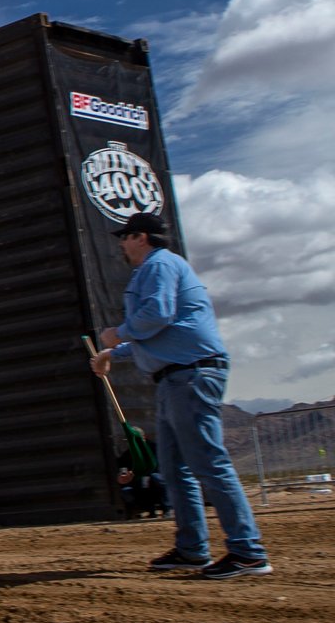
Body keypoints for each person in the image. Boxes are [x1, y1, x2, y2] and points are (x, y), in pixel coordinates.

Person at [92, 212, 271, 579]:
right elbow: (162, 331)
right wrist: (114, 353)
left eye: (125, 237)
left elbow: (158, 314)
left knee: (208, 462)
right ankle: (192, 549)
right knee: (175, 469)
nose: (121, 244)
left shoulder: (158, 265)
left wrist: (117, 334)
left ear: (141, 237)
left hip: (190, 375)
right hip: (175, 377)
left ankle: (248, 552)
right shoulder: (157, 268)